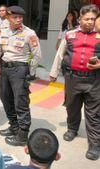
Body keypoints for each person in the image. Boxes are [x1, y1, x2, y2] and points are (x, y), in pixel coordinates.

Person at [49, 4, 100, 161]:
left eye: (93, 19)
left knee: (94, 114)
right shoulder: (70, 35)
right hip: (72, 79)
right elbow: (60, 53)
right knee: (72, 107)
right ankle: (72, 129)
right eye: (86, 19)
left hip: (94, 80)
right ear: (80, 19)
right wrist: (53, 72)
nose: (90, 22)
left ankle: (94, 144)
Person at [0, 6, 42, 146]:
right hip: (5, 69)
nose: (18, 20)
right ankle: (14, 127)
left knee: (21, 103)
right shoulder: (4, 32)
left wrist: (30, 72)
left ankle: (23, 136)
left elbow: (37, 55)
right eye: (15, 17)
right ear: (8, 18)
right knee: (5, 99)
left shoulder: (29, 33)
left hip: (20, 70)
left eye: (20, 17)